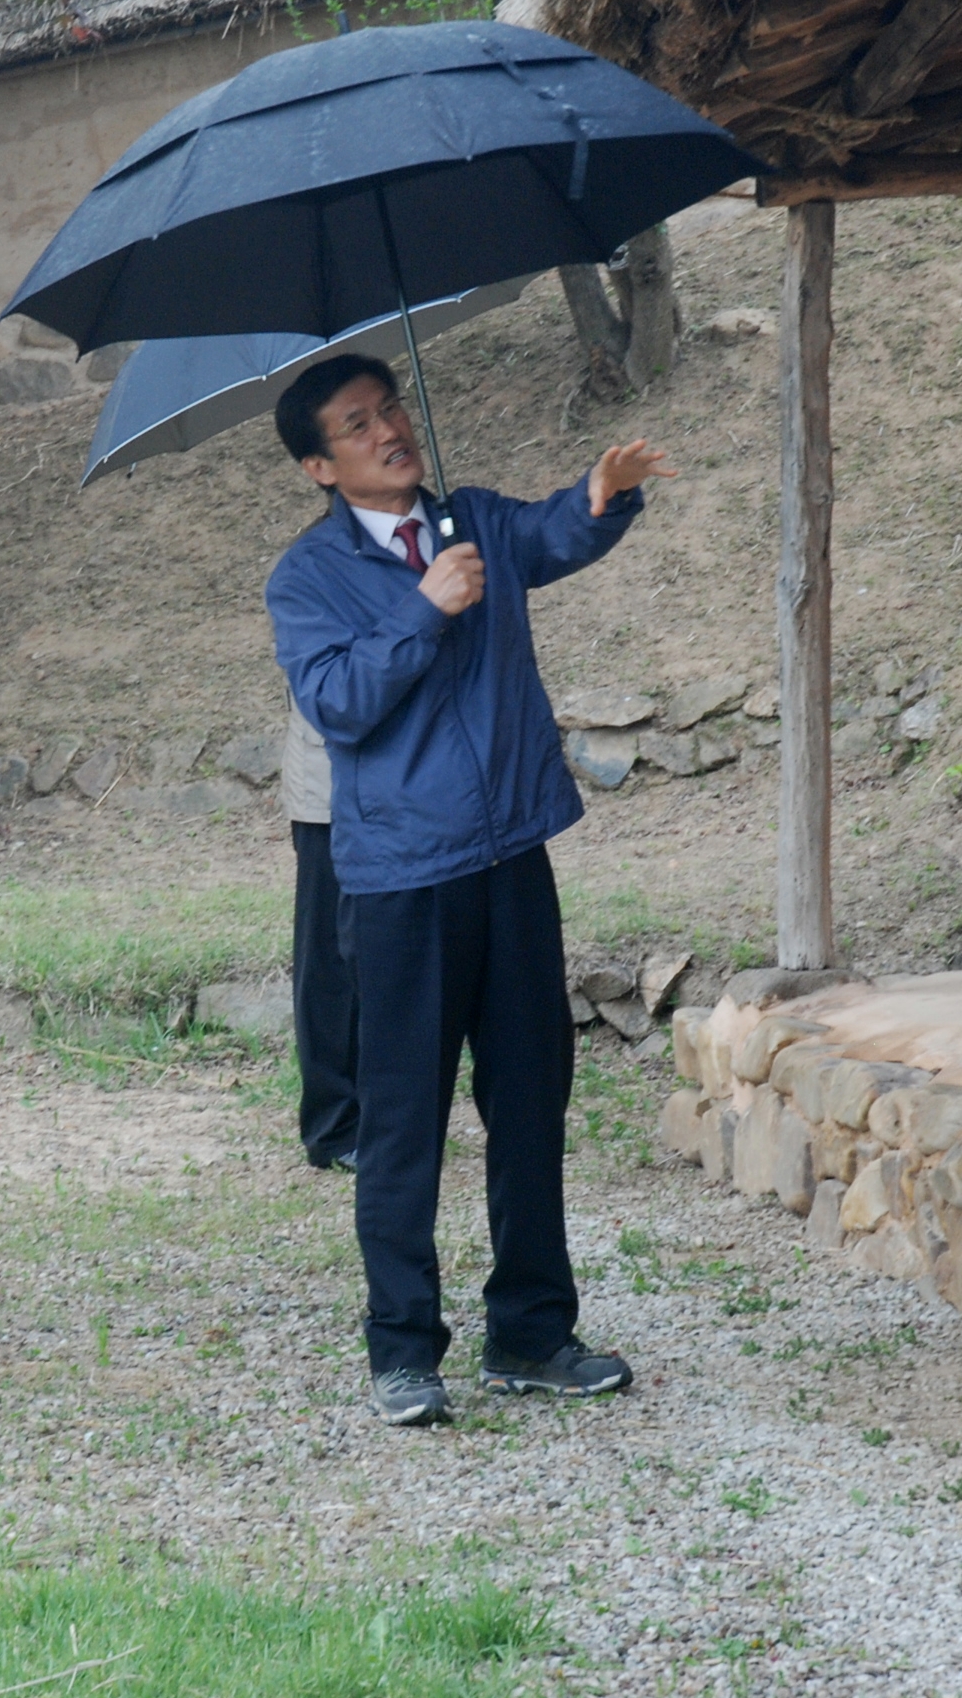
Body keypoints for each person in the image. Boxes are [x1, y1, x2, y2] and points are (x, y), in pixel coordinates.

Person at [265, 353, 672, 1428]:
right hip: (401, 879)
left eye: (389, 408)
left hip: (510, 860)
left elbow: (551, 532)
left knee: (531, 1103)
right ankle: (403, 1350)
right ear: (320, 466)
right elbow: (340, 704)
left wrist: (602, 494)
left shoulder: (473, 523)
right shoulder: (304, 581)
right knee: (404, 1120)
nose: (390, 429)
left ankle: (531, 1333)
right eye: (357, 425)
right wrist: (425, 610)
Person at [282, 692, 361, 1172]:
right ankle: (335, 1127)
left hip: (417, 787)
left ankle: (389, 1117)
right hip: (327, 787)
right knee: (329, 958)